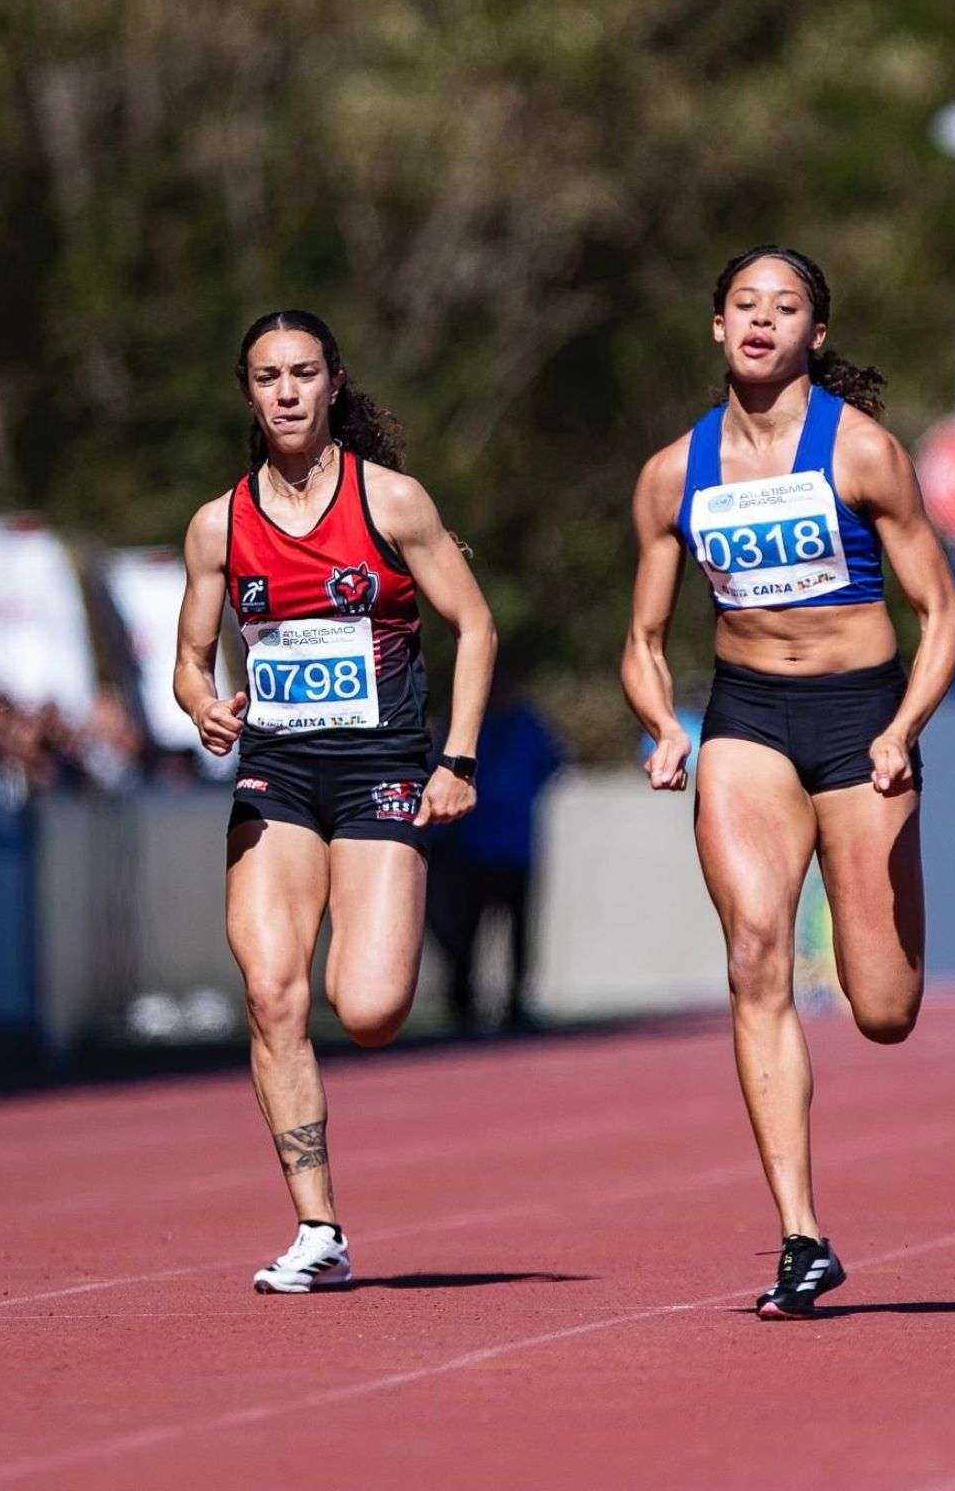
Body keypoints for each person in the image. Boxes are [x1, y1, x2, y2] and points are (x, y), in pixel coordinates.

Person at [623, 244, 955, 1318]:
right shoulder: (676, 473)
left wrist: (906, 726)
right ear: (717, 327)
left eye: (787, 307)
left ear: (818, 334)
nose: (763, 320)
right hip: (747, 723)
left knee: (884, 1008)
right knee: (755, 951)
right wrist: (660, 723)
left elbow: (942, 614)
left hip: (864, 725)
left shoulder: (862, 453)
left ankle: (894, 901)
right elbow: (640, 636)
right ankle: (800, 1233)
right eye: (745, 304)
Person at [175, 309, 495, 1293]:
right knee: (273, 989)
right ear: (247, 391)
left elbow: (475, 626)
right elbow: (189, 662)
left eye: (303, 373)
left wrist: (459, 760)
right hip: (275, 771)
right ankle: (319, 1227)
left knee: (369, 1007)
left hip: (382, 770)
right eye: (267, 375)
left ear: (333, 383)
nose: (285, 392)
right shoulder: (218, 524)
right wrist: (205, 708)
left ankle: (324, 1215)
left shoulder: (391, 501)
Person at [428, 670, 566, 1035]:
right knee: (466, 930)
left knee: (519, 929)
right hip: (470, 846)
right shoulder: (464, 727)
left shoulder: (527, 724)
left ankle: (517, 1001)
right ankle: (462, 1003)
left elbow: (555, 761)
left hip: (517, 846)